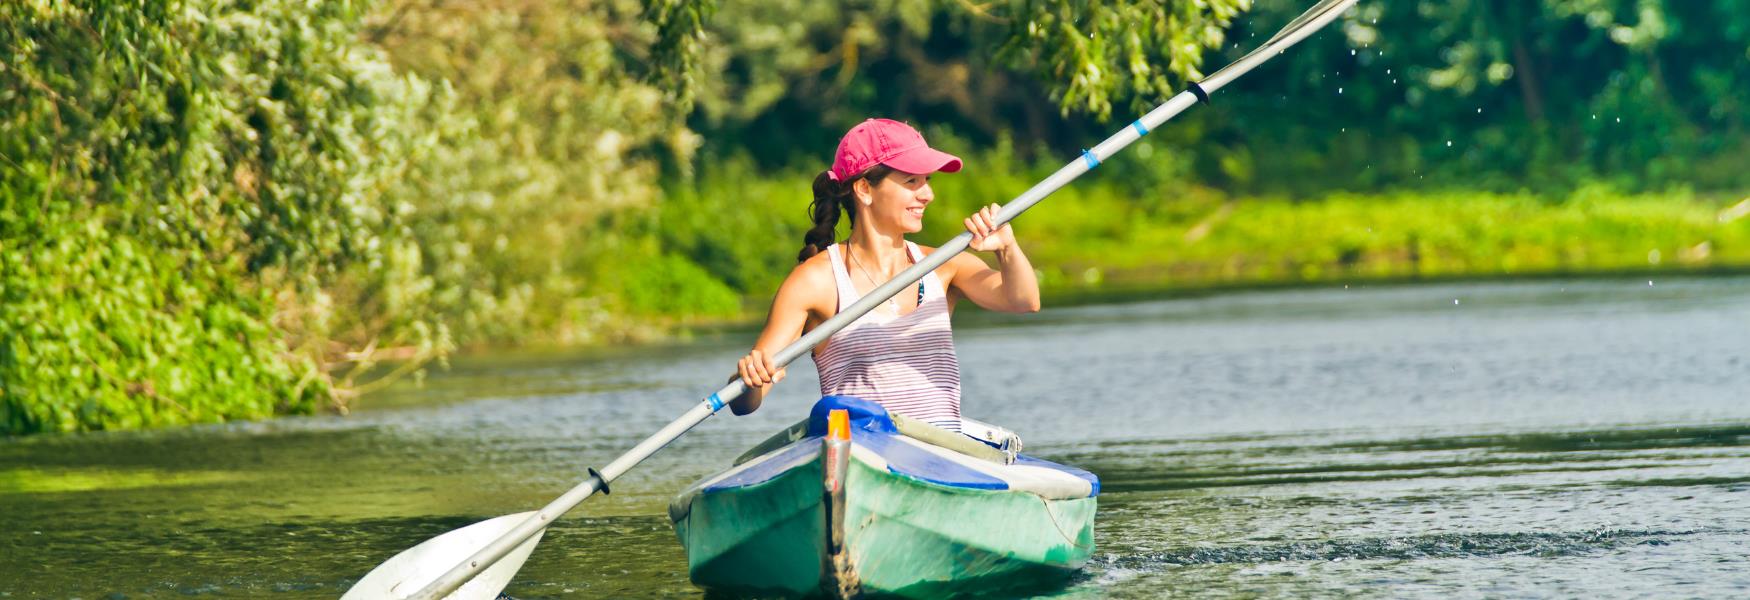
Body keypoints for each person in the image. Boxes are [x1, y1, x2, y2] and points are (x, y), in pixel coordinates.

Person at [730, 118, 1040, 433]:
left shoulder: (944, 265)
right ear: (864, 189)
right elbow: (744, 404)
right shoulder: (815, 281)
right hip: (861, 449)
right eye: (911, 182)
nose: (928, 194)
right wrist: (750, 379)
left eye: (927, 180)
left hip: (943, 454)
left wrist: (1007, 248)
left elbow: (1023, 300)